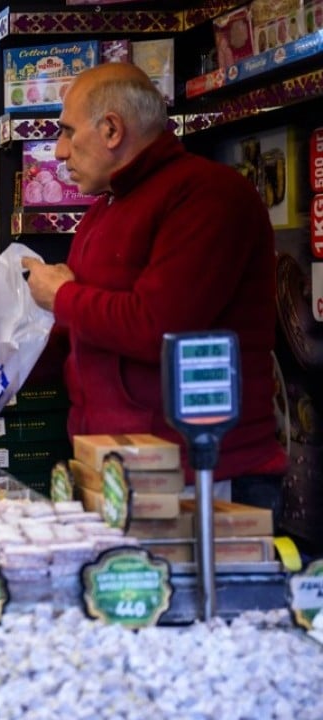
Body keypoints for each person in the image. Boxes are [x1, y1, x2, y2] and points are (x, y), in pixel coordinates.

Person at [21, 62, 286, 511]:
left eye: (67, 132)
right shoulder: (104, 209)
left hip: (200, 476)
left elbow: (159, 326)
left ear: (111, 129)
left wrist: (62, 296)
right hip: (115, 466)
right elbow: (84, 332)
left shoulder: (207, 196)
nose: (60, 151)